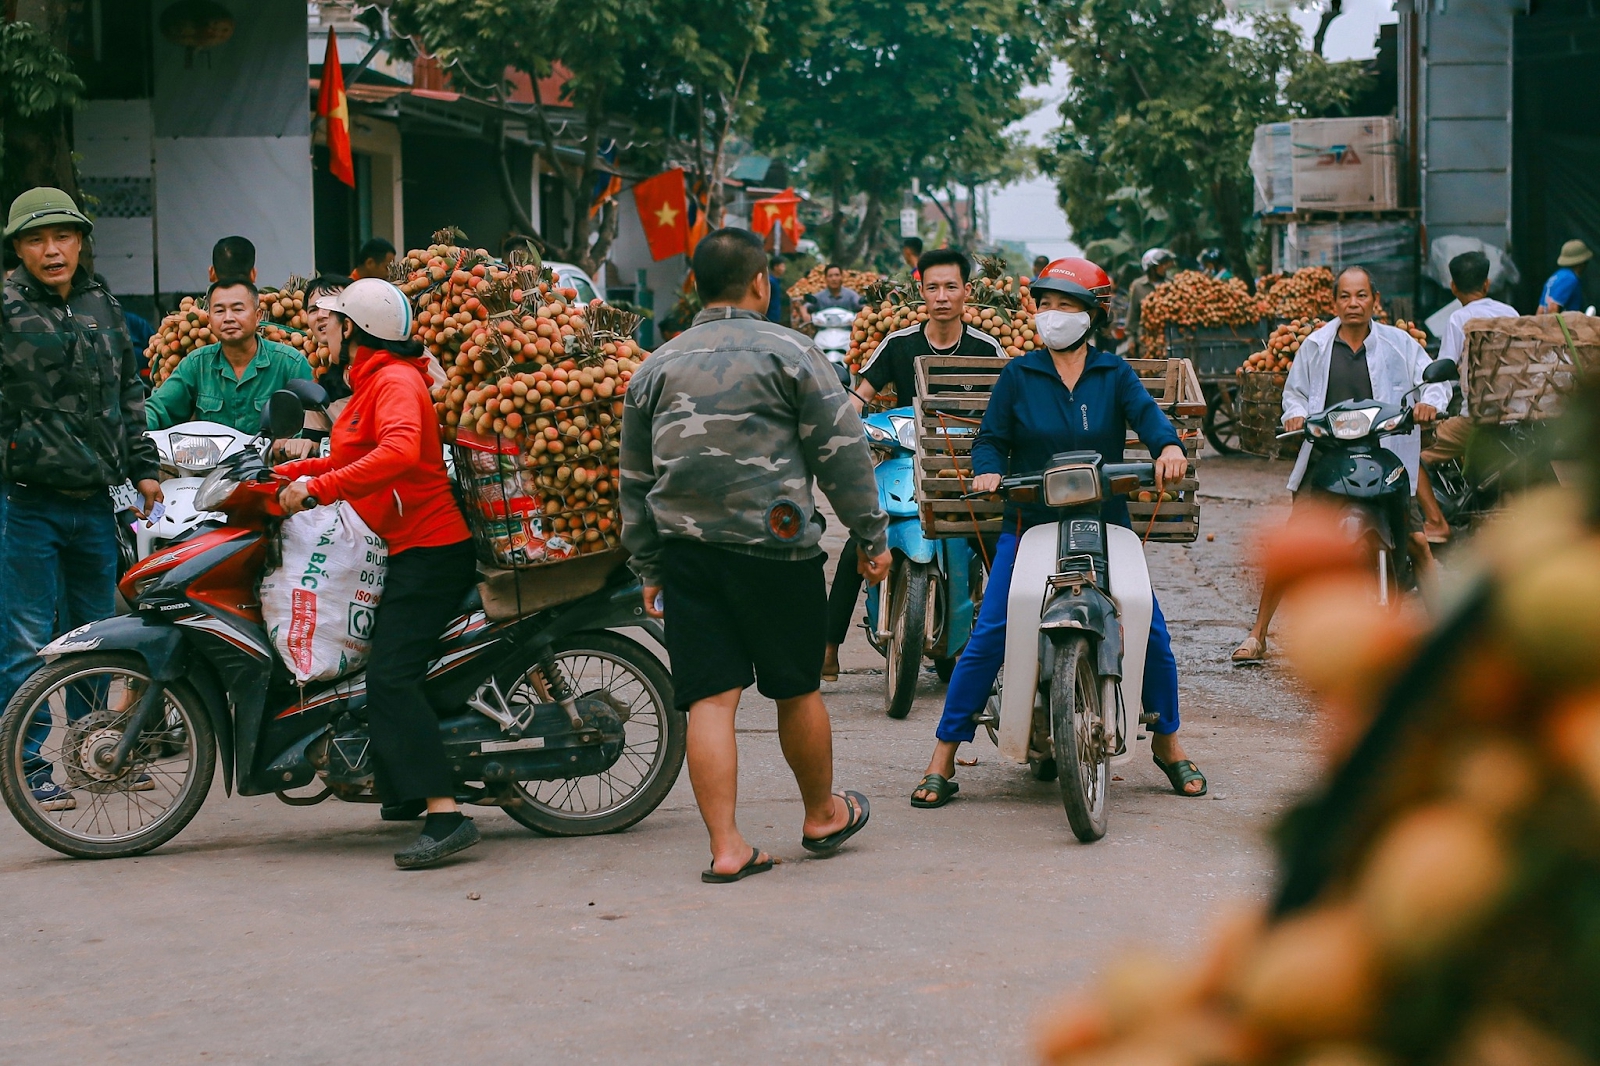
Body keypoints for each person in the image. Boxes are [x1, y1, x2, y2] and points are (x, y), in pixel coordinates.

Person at [619, 226, 890, 883]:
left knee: (710, 701)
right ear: (761, 283)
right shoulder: (793, 353)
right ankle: (822, 815)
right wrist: (871, 536)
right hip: (777, 550)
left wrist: (648, 565)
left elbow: (633, 478)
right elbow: (842, 453)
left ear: (695, 286)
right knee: (796, 689)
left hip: (687, 554)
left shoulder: (655, 366)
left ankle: (727, 848)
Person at [908, 257, 1204, 807]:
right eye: (1045, 305)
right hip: (1029, 523)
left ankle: (1168, 742)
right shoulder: (1019, 375)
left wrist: (1167, 447)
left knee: (1149, 627)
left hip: (1106, 522)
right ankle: (943, 755)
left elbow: (1151, 421)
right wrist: (987, 470)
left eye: (1066, 305)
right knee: (991, 630)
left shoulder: (1114, 374)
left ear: (1091, 315)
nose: (1052, 315)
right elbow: (991, 440)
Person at [274, 278, 480, 870]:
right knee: (382, 672)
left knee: (390, 677)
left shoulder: (393, 381)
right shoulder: (367, 383)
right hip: (403, 546)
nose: (325, 329)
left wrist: (319, 490)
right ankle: (404, 786)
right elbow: (346, 457)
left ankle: (446, 815)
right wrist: (279, 473)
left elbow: (397, 452)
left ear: (356, 330)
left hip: (431, 550)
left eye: (334, 321)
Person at [1, 187, 162, 812]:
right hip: (26, 503)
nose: (52, 250)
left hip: (95, 501)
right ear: (19, 248)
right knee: (25, 639)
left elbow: (128, 391)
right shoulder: (7, 308)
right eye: (37, 239)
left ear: (79, 242)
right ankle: (27, 765)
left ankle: (95, 755)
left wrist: (143, 469)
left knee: (96, 637)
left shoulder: (102, 304)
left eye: (62, 236)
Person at [1232, 266, 1450, 663]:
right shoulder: (1316, 346)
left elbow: (1433, 380)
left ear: (1374, 300)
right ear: (1334, 302)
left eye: (1361, 295)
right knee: (1296, 542)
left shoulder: (1398, 343)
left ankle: (1447, 640)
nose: (1354, 303)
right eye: (1345, 296)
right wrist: (1295, 416)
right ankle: (1258, 633)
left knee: (1418, 542)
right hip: (1327, 454)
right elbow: (1294, 395)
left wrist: (1430, 403)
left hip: (1385, 453)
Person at [822, 248, 1004, 681]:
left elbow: (1006, 407)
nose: (942, 296)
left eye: (951, 287)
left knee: (997, 550)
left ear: (967, 292)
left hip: (965, 472)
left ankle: (1007, 647)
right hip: (906, 462)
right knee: (859, 543)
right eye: (933, 287)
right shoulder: (899, 343)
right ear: (921, 291)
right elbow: (859, 397)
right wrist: (847, 428)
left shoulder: (986, 347)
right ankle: (827, 648)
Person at [1414, 250, 1519, 542]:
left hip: (1478, 419)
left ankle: (1436, 522)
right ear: (1487, 284)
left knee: (1409, 456)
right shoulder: (1511, 313)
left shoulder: (1458, 319)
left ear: (1453, 287)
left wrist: (1431, 400)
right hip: (1518, 415)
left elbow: (1445, 367)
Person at [144, 278, 314, 437]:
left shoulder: (290, 363)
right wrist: (134, 427)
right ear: (209, 320)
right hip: (212, 460)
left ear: (258, 316)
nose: (228, 318)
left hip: (272, 460)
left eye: (238, 309)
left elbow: (314, 421)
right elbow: (159, 409)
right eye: (219, 311)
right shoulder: (196, 364)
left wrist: (292, 442)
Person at [1124, 248, 1175, 358]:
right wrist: (1131, 339)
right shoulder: (1138, 286)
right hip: (1146, 341)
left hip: (1169, 339)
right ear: (1151, 268)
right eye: (1161, 265)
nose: (1164, 268)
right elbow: (1133, 316)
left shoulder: (1171, 284)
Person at [1538, 239, 1590, 314]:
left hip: (1546, 321)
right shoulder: (1570, 278)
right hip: (1567, 321)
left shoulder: (1556, 276)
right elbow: (1553, 308)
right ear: (1582, 263)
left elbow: (1540, 310)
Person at [766, 255, 790, 326]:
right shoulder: (770, 282)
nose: (784, 269)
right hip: (770, 316)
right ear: (776, 267)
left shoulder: (777, 281)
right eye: (782, 266)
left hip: (775, 316)